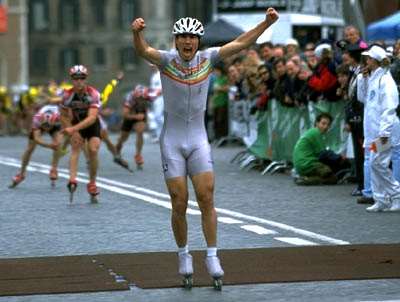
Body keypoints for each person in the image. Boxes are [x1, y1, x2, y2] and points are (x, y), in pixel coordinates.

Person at [131, 7, 279, 288]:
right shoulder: (165, 61)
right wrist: (136, 33)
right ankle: (183, 254)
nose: (188, 42)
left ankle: (212, 255)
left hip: (198, 139)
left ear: (199, 41)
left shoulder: (208, 59)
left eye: (193, 38)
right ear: (176, 40)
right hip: (172, 141)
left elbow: (241, 43)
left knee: (206, 197)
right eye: (183, 37)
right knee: (179, 201)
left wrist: (265, 23)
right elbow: (143, 51)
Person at [357, 45, 400, 212]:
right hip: (374, 132)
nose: (365, 61)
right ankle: (381, 198)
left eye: (368, 58)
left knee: (377, 163)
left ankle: (396, 194)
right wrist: (363, 79)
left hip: (384, 133)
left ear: (374, 61)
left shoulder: (385, 80)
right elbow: (362, 98)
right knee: (376, 163)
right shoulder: (374, 78)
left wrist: (385, 133)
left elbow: (389, 108)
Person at [59, 65, 102, 203]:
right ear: (72, 79)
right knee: (75, 148)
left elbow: (92, 118)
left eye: (82, 78)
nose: (79, 81)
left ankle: (92, 182)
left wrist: (73, 128)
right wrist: (72, 130)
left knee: (93, 149)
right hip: (76, 125)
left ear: (86, 79)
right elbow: (64, 116)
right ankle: (72, 179)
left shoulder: (93, 94)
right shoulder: (66, 95)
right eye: (76, 79)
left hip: (91, 125)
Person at [9, 105, 62, 188]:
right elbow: (37, 139)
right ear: (41, 122)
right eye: (45, 126)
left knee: (58, 144)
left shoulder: (59, 118)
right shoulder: (37, 119)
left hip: (55, 124)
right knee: (30, 148)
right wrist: (49, 146)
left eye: (48, 127)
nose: (46, 129)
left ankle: (53, 169)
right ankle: (21, 174)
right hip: (41, 124)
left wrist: (56, 144)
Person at [293, 113, 349, 185]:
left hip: (301, 164)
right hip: (308, 163)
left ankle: (306, 177)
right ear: (317, 123)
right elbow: (323, 153)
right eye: (323, 123)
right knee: (332, 178)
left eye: (328, 125)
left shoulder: (311, 132)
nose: (326, 127)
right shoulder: (316, 132)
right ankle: (306, 180)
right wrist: (339, 158)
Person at [115, 84, 149, 169]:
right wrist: (135, 116)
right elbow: (125, 115)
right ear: (135, 96)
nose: (141, 101)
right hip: (129, 116)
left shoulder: (148, 97)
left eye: (143, 99)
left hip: (140, 115)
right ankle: (117, 149)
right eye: (139, 99)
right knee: (123, 138)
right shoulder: (129, 99)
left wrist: (146, 120)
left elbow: (146, 110)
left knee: (140, 131)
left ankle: (138, 155)